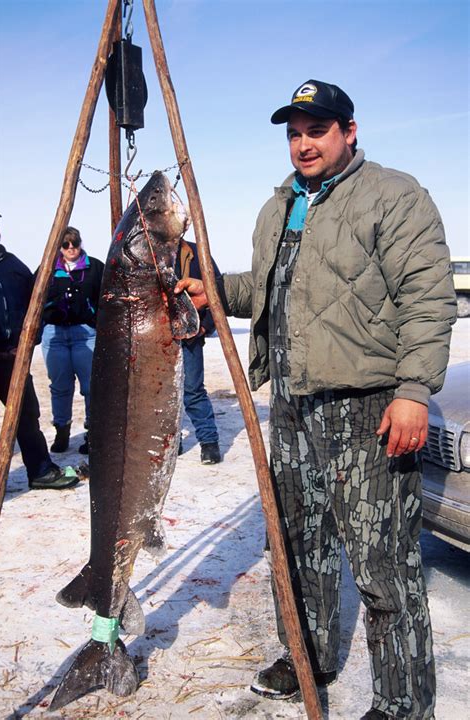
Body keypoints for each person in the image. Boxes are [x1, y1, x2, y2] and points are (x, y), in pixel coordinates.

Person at [175, 79, 457, 720]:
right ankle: (310, 654)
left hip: (368, 406)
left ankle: (404, 703)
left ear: (349, 131)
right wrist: (216, 289)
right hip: (294, 406)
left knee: (382, 559)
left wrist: (413, 393)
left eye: (317, 130)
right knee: (298, 544)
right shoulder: (278, 208)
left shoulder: (394, 195)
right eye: (294, 134)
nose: (303, 144)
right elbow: (271, 294)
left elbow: (427, 300)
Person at [0, 213, 78, 490]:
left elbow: (36, 307)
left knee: (26, 415)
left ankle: (40, 470)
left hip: (11, 359)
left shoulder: (13, 267)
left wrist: (31, 340)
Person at [40, 227, 104, 454]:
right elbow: (35, 297)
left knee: (90, 386)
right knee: (60, 386)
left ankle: (93, 433)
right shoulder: (47, 268)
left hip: (85, 333)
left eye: (74, 244)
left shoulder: (95, 267)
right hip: (55, 335)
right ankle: (62, 430)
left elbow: (106, 298)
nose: (71, 249)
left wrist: (97, 320)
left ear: (80, 243)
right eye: (66, 244)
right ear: (60, 246)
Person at [177, 239, 222, 464]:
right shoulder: (149, 254)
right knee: (163, 394)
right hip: (158, 341)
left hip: (190, 335)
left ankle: (208, 441)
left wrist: (205, 326)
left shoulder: (196, 253)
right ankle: (171, 441)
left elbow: (217, 290)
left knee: (193, 390)